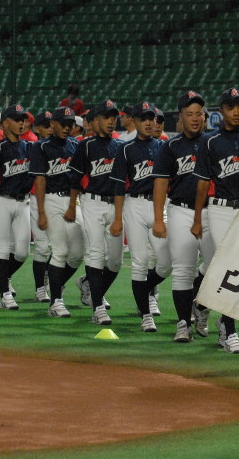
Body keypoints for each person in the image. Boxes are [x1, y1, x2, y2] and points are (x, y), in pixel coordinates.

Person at [191, 88, 239, 354]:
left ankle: (203, 305)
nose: (236, 112)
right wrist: (197, 217)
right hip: (221, 210)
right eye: (230, 107)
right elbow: (202, 183)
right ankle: (229, 330)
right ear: (221, 110)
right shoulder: (210, 142)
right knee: (229, 269)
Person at [152, 90, 216, 342]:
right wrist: (159, 218)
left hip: (212, 211)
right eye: (189, 114)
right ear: (180, 117)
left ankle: (200, 307)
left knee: (215, 268)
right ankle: (183, 323)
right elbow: (159, 183)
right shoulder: (170, 147)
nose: (194, 118)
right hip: (180, 210)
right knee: (182, 270)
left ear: (205, 116)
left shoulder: (213, 143)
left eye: (198, 113)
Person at [109, 102, 172, 333]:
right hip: (133, 204)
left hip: (159, 205)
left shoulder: (164, 147)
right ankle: (145, 314)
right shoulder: (125, 149)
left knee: (166, 263)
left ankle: (145, 290)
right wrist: (117, 218)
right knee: (140, 262)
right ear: (134, 121)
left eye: (151, 118)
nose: (148, 122)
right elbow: (117, 186)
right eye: (143, 118)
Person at [67, 100, 123, 324]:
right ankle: (98, 307)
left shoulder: (119, 146)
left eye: (113, 117)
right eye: (106, 117)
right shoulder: (86, 145)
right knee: (96, 253)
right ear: (95, 121)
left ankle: (89, 284)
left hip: (115, 203)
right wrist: (72, 206)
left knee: (116, 262)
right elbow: (75, 179)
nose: (111, 121)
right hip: (92, 202)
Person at [31, 107, 85, 318]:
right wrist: (42, 212)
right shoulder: (41, 147)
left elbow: (78, 180)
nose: (66, 127)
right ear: (52, 124)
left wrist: (74, 204)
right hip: (51, 199)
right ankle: (56, 302)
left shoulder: (75, 145)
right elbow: (40, 180)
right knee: (60, 250)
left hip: (72, 200)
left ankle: (56, 284)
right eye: (62, 123)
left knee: (78, 253)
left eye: (70, 124)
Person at [0, 105, 34, 310]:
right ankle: (5, 295)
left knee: (22, 252)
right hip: (2, 201)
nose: (21, 123)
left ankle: (4, 278)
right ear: (5, 123)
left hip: (24, 202)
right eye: (16, 119)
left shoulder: (28, 147)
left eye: (23, 119)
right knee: (3, 248)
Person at [28, 111, 54, 303]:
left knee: (62, 248)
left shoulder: (62, 146)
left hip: (57, 199)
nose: (51, 128)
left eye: (52, 124)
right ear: (38, 128)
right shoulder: (35, 146)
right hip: (36, 199)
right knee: (43, 247)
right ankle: (40, 287)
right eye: (46, 125)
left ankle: (49, 279)